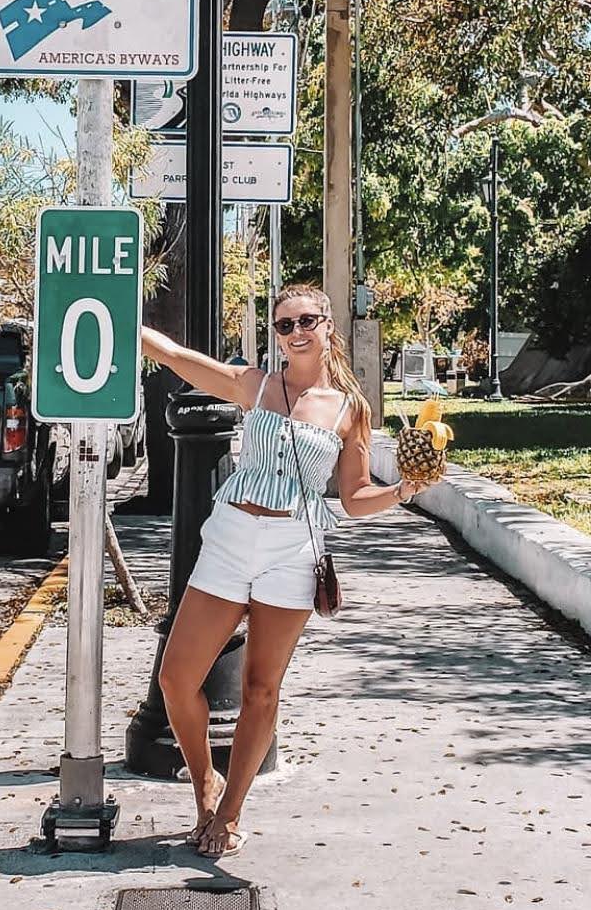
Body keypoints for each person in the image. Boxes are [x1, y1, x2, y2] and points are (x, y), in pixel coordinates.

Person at [141, 283, 441, 859]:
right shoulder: (256, 384)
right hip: (229, 539)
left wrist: (403, 490)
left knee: (260, 688)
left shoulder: (351, 410)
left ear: (328, 324)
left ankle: (228, 812)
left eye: (306, 320)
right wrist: (111, 315)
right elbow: (177, 358)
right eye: (283, 325)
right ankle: (204, 778)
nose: (295, 333)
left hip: (291, 549)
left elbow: (353, 497)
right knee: (177, 679)